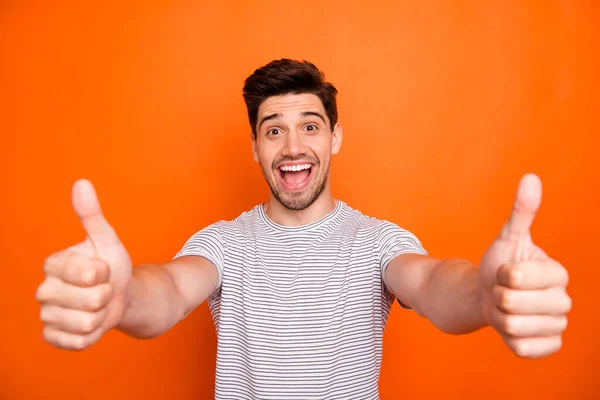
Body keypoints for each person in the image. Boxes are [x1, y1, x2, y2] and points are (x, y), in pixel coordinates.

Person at [35, 59, 572, 399]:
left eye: (309, 127)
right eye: (274, 131)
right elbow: (171, 289)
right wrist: (119, 300)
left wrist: (487, 294)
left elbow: (432, 284)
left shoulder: (377, 241)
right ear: (255, 147)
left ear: (334, 138)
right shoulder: (223, 244)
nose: (293, 147)